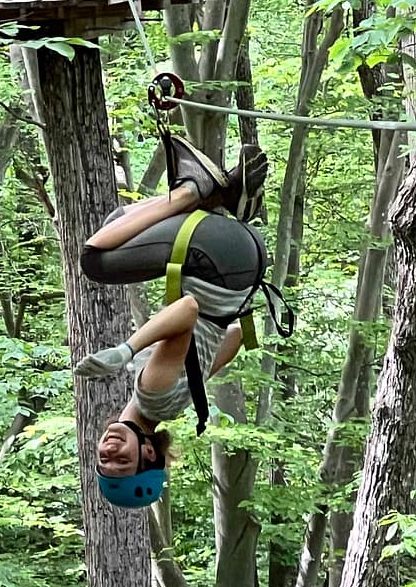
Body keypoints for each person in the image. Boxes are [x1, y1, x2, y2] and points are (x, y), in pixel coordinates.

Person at [75, 136, 270, 508]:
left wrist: (221, 316)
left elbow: (232, 338)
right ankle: (193, 193)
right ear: (148, 454)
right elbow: (189, 309)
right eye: (122, 460)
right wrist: (125, 350)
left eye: (104, 458)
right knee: (94, 258)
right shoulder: (151, 392)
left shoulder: (176, 406)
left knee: (116, 223)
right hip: (216, 256)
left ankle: (224, 197)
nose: (111, 450)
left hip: (244, 261)